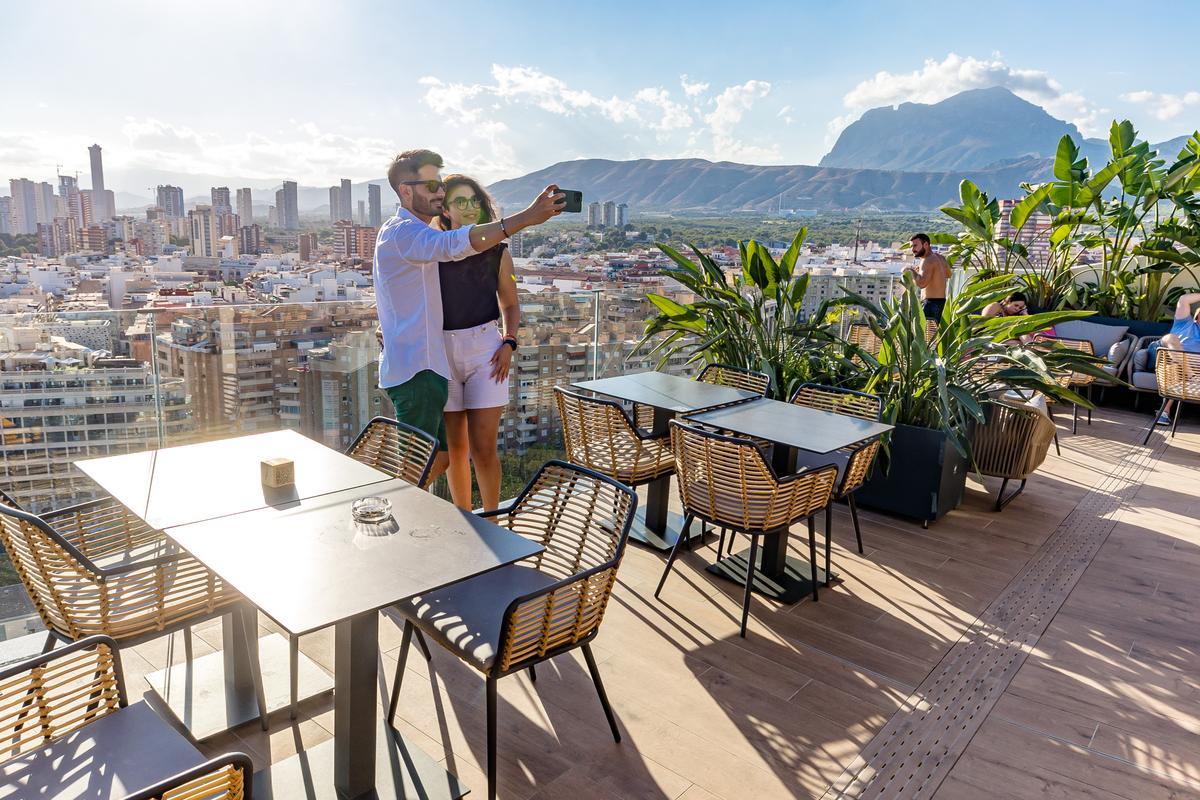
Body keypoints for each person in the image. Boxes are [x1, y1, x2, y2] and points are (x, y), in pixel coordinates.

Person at [374, 149, 563, 484]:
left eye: (440, 185)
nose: (439, 192)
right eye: (431, 184)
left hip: (428, 368)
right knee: (414, 468)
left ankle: (393, 513)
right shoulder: (405, 233)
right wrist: (525, 218)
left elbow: (405, 291)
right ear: (405, 190)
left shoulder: (409, 233)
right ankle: (383, 518)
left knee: (439, 459)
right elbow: (454, 244)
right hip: (418, 371)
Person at [436, 175, 518, 511]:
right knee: (455, 450)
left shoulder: (498, 252)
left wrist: (509, 343)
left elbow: (510, 303)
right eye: (460, 201)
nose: (469, 208)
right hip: (440, 354)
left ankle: (493, 521)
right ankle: (464, 523)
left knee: (483, 448)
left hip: (486, 350)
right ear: (445, 208)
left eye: (474, 201)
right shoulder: (430, 252)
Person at [1149, 291, 1200, 425]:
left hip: (1181, 366)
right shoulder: (1186, 322)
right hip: (1160, 353)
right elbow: (1183, 299)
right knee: (1171, 338)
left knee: (1184, 364)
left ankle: (1164, 412)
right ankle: (1194, 377)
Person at [906, 233, 951, 323]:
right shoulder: (940, 257)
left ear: (925, 244)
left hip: (931, 305)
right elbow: (948, 274)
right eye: (911, 246)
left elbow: (922, 284)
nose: (913, 249)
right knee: (936, 335)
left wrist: (911, 271)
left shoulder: (927, 259)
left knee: (927, 336)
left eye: (915, 246)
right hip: (941, 303)